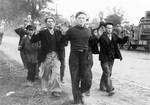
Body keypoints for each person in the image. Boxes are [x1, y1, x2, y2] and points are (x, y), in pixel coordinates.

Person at [63, 11, 92, 104]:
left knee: (87, 79)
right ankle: (77, 100)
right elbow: (64, 42)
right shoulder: (71, 30)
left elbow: (92, 43)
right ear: (76, 19)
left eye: (83, 18)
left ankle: (80, 92)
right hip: (74, 55)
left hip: (85, 56)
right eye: (79, 18)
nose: (81, 19)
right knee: (75, 78)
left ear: (85, 19)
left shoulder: (88, 30)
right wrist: (63, 34)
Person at [30, 17, 64, 97]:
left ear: (54, 23)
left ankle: (55, 91)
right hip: (46, 55)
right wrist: (37, 31)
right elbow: (33, 40)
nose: (51, 23)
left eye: (52, 21)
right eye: (49, 21)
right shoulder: (43, 33)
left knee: (56, 73)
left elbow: (64, 43)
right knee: (45, 73)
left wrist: (64, 33)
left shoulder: (58, 32)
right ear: (46, 23)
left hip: (56, 55)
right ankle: (44, 89)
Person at [96, 22, 129, 96]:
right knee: (107, 72)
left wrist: (126, 37)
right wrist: (97, 35)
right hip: (104, 57)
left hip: (111, 57)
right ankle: (109, 89)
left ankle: (102, 86)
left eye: (111, 28)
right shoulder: (102, 35)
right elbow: (95, 42)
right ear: (105, 28)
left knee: (108, 73)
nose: (109, 30)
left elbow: (121, 41)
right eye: (108, 28)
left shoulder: (114, 35)